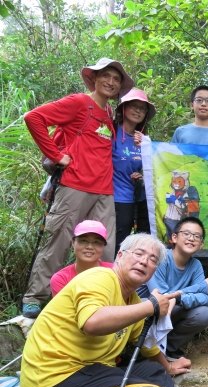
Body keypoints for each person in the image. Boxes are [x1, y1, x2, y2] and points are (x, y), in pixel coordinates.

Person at [20, 234, 192, 387]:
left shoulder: (132, 300)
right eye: (139, 253)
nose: (144, 261)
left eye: (152, 260)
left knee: (153, 371)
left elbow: (146, 343)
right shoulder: (99, 277)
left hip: (89, 373)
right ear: (119, 256)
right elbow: (92, 322)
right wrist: (151, 306)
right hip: (49, 386)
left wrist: (168, 365)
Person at [22, 58, 134, 318]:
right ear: (94, 78)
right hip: (74, 185)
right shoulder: (78, 103)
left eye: (116, 79)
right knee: (59, 241)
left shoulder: (108, 114)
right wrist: (57, 156)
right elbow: (34, 118)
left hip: (104, 190)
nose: (111, 82)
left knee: (105, 249)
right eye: (106, 76)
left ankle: (98, 298)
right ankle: (35, 298)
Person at [171, 85, 208, 276]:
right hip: (183, 193)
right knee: (183, 232)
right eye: (199, 100)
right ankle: (177, 283)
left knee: (204, 234)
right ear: (192, 104)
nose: (203, 104)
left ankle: (203, 284)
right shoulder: (181, 132)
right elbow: (170, 161)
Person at [146, 217, 208, 361]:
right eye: (187, 234)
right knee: (165, 305)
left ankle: (168, 348)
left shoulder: (195, 265)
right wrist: (202, 286)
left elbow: (204, 298)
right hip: (148, 309)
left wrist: (179, 298)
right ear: (174, 237)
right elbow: (162, 298)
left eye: (197, 236)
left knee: (203, 314)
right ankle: (146, 350)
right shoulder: (161, 258)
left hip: (171, 310)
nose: (191, 239)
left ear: (201, 244)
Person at [113, 88, 155, 254]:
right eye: (133, 106)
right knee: (110, 242)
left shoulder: (145, 140)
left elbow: (154, 171)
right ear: (123, 108)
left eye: (142, 108)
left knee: (122, 244)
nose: (138, 111)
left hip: (132, 200)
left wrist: (145, 148)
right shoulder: (111, 131)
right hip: (109, 196)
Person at [50, 220, 113, 296]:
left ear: (103, 246)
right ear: (73, 242)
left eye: (96, 242)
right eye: (83, 241)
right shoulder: (61, 279)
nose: (89, 247)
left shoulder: (114, 271)